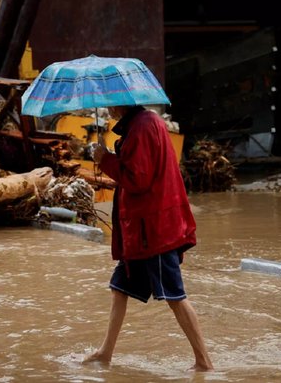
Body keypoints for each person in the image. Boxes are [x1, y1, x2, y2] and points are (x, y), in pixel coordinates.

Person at [84, 104, 214, 372]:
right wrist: (109, 156)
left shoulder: (142, 127)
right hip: (145, 229)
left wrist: (105, 159)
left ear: (121, 103)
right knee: (119, 288)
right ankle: (105, 352)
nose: (108, 108)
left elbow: (137, 180)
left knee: (174, 295)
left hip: (153, 230)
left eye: (110, 103)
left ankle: (204, 361)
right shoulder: (145, 123)